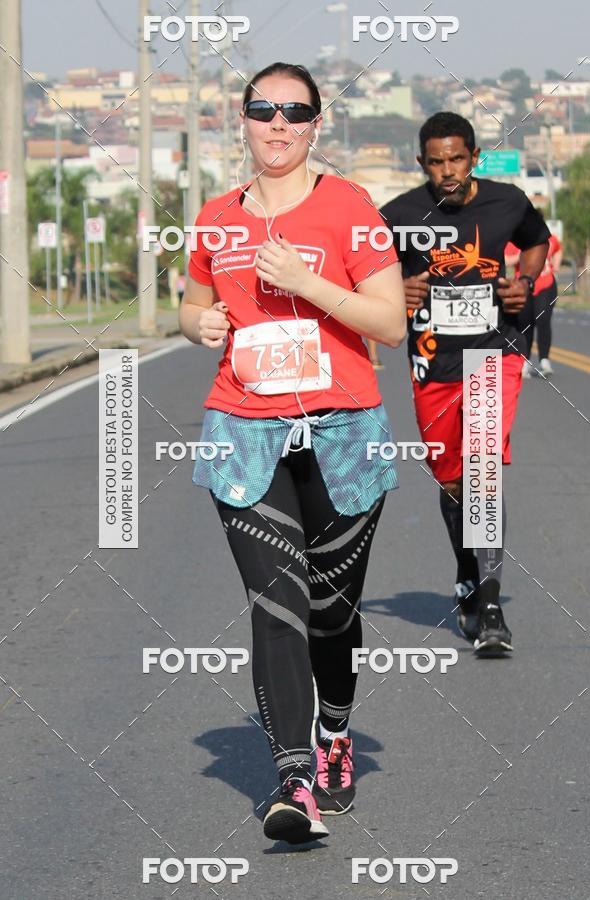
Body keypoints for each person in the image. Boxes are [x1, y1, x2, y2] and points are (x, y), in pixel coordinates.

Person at [179, 62, 406, 844]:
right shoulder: (215, 217)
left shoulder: (349, 206)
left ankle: (336, 732)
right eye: (262, 109)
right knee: (278, 608)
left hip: (344, 433)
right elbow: (193, 298)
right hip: (245, 431)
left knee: (332, 615)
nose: (277, 124)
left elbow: (388, 324)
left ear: (316, 124)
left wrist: (309, 282)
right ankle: (294, 781)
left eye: (295, 112)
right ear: (241, 119)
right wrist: (195, 325)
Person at [380, 112, 550, 655]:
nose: (448, 171)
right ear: (421, 163)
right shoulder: (400, 215)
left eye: (457, 159)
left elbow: (537, 241)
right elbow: (361, 273)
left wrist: (521, 280)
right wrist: (398, 288)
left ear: (473, 157)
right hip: (433, 363)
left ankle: (493, 606)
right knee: (451, 479)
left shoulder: (507, 201)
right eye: (436, 161)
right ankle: (466, 571)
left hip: (493, 355)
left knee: (482, 472)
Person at [505, 233, 562, 377]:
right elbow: (506, 260)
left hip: (545, 284)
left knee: (543, 320)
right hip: (524, 287)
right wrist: (521, 255)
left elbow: (558, 249)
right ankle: (525, 362)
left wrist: (556, 266)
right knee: (525, 324)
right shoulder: (515, 240)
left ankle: (544, 360)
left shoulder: (547, 238)